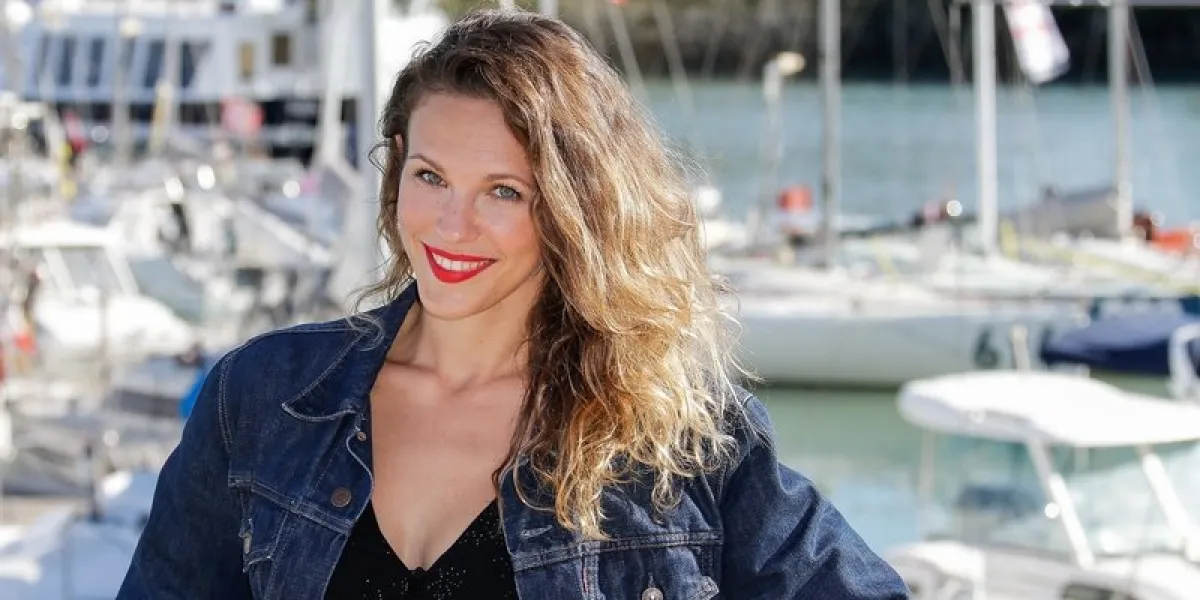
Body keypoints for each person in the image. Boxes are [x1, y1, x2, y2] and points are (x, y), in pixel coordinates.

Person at [117, 10, 909, 599]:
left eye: (504, 191)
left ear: (574, 209)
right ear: (396, 169)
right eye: (430, 177)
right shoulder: (263, 398)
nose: (450, 225)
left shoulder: (675, 441)